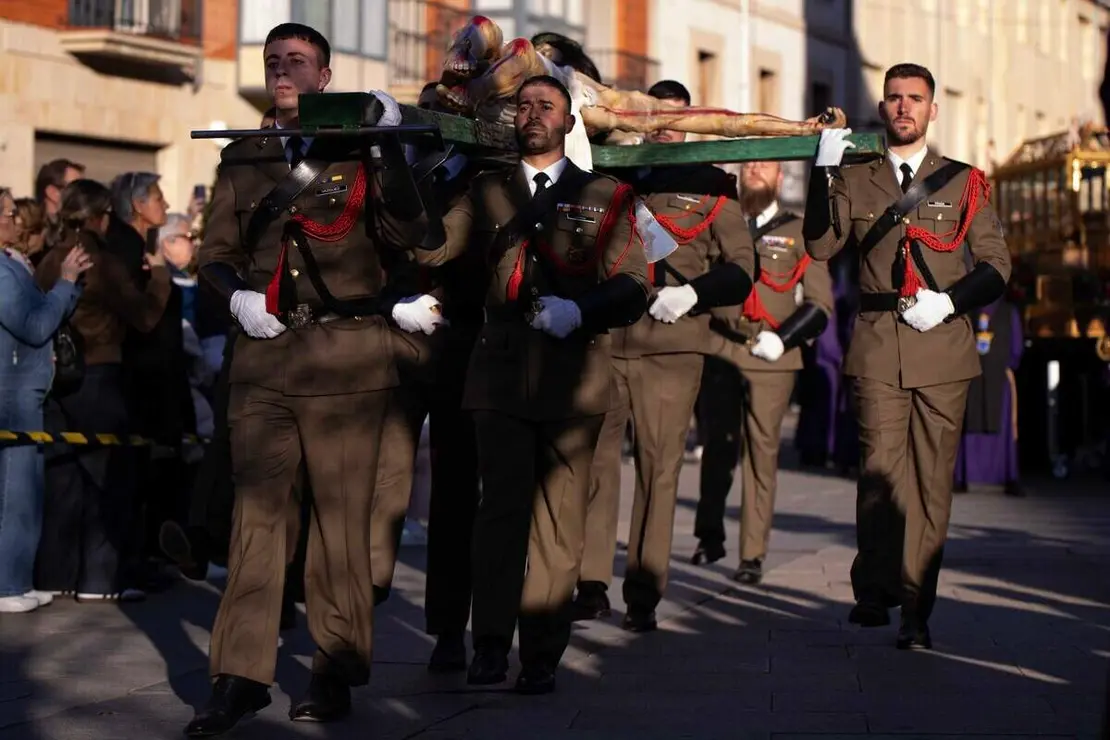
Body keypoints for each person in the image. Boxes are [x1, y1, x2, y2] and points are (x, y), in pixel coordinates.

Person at [186, 22, 427, 736]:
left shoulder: (357, 152)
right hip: (264, 363)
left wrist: (389, 148)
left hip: (345, 360)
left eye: (298, 61)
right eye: (273, 62)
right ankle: (239, 675)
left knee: (338, 528)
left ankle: (335, 664)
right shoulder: (244, 155)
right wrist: (232, 296)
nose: (283, 70)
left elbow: (413, 237)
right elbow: (215, 254)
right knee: (254, 524)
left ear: (325, 78)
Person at [412, 74, 650, 693]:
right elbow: (431, 249)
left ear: (570, 122)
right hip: (499, 369)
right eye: (525, 106)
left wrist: (584, 310)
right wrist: (399, 163)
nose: (534, 113)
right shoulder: (485, 188)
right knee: (501, 513)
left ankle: (542, 648)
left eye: (548, 106)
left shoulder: (607, 193)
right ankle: (490, 643)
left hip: (575, 372)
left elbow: (634, 280)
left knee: (560, 519)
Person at [802, 63, 1011, 649]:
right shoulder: (857, 175)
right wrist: (822, 171)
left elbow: (997, 265)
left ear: (932, 110)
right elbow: (820, 244)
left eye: (914, 99)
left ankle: (918, 605)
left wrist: (949, 303)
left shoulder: (963, 182)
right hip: (876, 343)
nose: (902, 107)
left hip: (942, 348)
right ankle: (875, 589)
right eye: (893, 97)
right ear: (883, 107)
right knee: (877, 474)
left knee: (929, 484)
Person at [573, 79, 755, 630]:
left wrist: (696, 292)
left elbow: (742, 268)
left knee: (659, 468)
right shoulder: (616, 173)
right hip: (612, 339)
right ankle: (591, 581)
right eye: (655, 116)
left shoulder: (712, 182)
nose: (666, 126)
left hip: (672, 345)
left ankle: (645, 588)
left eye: (677, 118)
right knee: (598, 464)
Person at [368, 80, 509, 673]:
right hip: (399, 339)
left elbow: (438, 245)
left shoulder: (481, 177)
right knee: (381, 487)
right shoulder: (399, 166)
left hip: (459, 346)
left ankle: (450, 628)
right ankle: (363, 598)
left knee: (453, 497)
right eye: (434, 106)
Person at [691, 158, 832, 584]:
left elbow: (820, 304)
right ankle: (709, 532)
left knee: (761, 453)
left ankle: (751, 553)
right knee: (716, 446)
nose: (754, 170)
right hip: (720, 345)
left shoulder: (799, 231)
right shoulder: (721, 220)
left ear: (779, 178)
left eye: (764, 166)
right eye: (749, 163)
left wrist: (785, 338)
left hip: (772, 355)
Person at [34, 179, 172, 603]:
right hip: (99, 370)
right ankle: (99, 580)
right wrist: (161, 276)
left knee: (63, 480)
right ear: (100, 216)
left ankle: (54, 575)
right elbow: (144, 317)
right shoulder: (102, 260)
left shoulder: (50, 258)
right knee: (108, 479)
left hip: (56, 379)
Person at [0, 187, 91, 613]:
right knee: (14, 492)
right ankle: (6, 583)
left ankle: (16, 579)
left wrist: (66, 287)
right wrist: (66, 283)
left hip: (27, 385)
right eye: (4, 214)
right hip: (12, 387)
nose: (13, 221)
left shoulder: (11, 263)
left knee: (28, 488)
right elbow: (33, 326)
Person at [953, 295, 1024, 496]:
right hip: (975, 374)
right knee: (969, 421)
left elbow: (1016, 348)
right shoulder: (970, 311)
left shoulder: (1008, 312)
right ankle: (963, 475)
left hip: (997, 378)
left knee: (1000, 423)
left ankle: (1003, 475)